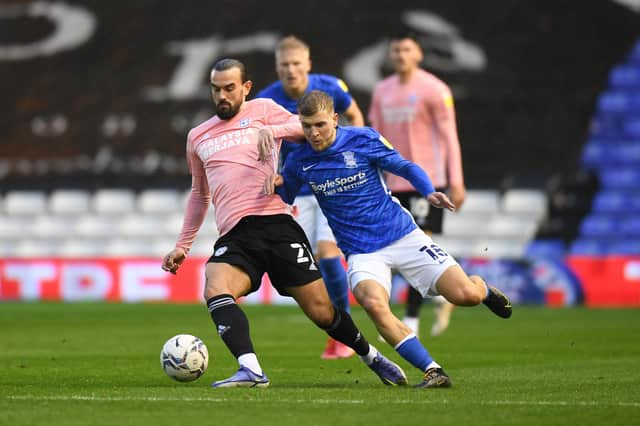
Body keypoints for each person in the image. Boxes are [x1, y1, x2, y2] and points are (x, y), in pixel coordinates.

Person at [161, 59, 408, 388]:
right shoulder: (198, 136)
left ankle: (371, 356)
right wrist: (183, 245)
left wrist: (271, 130)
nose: (222, 95)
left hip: (276, 223)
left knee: (322, 311)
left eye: (229, 88)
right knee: (215, 287)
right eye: (216, 89)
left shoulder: (263, 109)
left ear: (245, 88)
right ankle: (251, 369)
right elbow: (198, 194)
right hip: (236, 235)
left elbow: (303, 130)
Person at [264, 90, 512, 388]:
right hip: (361, 253)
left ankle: (482, 288)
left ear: (335, 119)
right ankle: (434, 371)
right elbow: (286, 194)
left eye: (320, 125)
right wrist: (276, 183)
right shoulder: (300, 159)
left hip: (403, 236)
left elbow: (404, 166)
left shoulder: (363, 139)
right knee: (373, 304)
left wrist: (427, 190)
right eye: (306, 126)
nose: (313, 134)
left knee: (465, 296)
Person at [255, 35, 365, 359]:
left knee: (329, 253)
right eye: (284, 65)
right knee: (308, 263)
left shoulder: (329, 86)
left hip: (331, 184)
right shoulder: (266, 100)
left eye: (296, 64)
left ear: (308, 65)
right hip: (296, 190)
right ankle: (339, 327)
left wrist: (354, 155)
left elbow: (355, 115)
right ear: (277, 67)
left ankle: (344, 336)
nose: (290, 70)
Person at [368, 31, 466, 337]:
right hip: (391, 183)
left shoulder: (435, 89)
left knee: (419, 248)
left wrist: (456, 180)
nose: (400, 55)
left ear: (419, 54)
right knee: (391, 251)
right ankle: (451, 285)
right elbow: (375, 139)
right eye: (396, 49)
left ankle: (410, 321)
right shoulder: (382, 91)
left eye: (406, 49)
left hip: (427, 182)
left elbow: (449, 136)